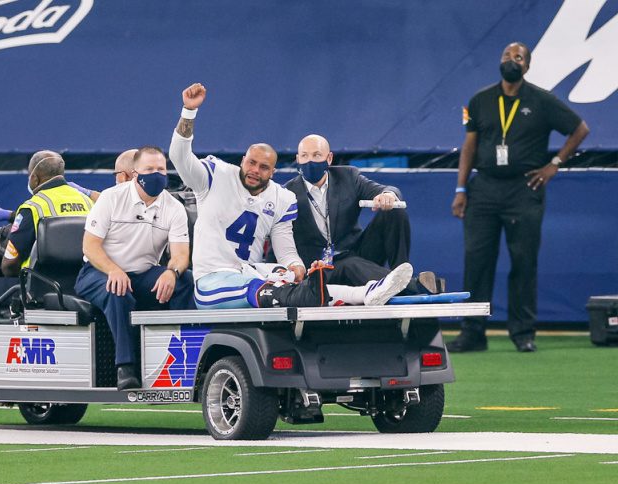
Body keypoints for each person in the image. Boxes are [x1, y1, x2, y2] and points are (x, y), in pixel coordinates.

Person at [169, 83, 413, 310]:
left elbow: (285, 249)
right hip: (214, 278)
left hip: (251, 271)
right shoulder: (215, 176)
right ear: (242, 160)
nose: (255, 170)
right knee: (276, 289)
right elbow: (180, 157)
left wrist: (295, 267)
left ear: (272, 172)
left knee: (294, 282)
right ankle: (400, 288)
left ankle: (367, 292)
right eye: (251, 163)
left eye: (263, 167)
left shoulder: (281, 197)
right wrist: (188, 113)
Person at [448, 42, 589, 353]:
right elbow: (469, 146)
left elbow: (580, 129)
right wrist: (461, 189)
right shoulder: (480, 100)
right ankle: (472, 332)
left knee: (524, 262)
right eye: (506, 56)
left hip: (524, 189)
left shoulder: (542, 100)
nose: (511, 60)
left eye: (518, 57)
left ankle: (523, 332)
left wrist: (555, 165)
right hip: (484, 188)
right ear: (499, 62)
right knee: (477, 262)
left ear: (527, 66)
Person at [0, 151, 95, 383]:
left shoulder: (33, 207)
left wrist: (5, 258)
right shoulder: (86, 202)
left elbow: (9, 265)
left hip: (38, 290)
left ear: (35, 178)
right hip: (81, 286)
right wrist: (12, 217)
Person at [75, 146, 195, 390]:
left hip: (142, 274)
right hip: (98, 271)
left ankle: (185, 357)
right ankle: (126, 368)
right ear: (134, 173)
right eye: (149, 169)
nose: (157, 174)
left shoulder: (174, 208)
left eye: (161, 169)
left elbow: (181, 254)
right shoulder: (111, 198)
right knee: (118, 290)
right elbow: (90, 246)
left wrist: (172, 273)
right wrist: (113, 269)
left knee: (185, 280)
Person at [285, 134, 443, 294]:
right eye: (305, 156)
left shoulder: (347, 177)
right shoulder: (287, 194)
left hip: (357, 253)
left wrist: (387, 195)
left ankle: (401, 272)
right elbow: (278, 244)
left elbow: (387, 189)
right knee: (349, 263)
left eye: (317, 155)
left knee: (394, 211)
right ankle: (413, 287)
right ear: (298, 159)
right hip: (320, 269)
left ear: (329, 158)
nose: (310, 161)